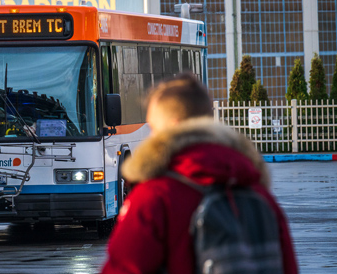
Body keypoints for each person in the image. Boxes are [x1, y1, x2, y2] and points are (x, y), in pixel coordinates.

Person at [101, 73, 298, 274]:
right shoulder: (259, 194)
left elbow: (122, 268)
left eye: (154, 127)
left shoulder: (154, 197)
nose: (151, 136)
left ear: (174, 126)